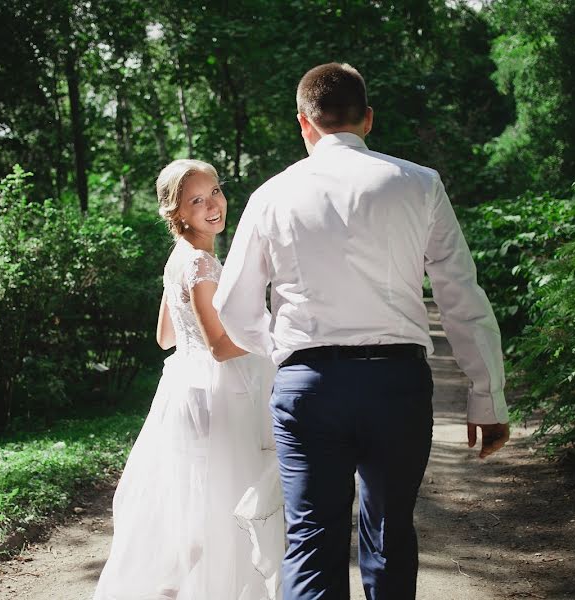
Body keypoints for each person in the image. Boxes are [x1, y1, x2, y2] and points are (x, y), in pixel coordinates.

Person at [214, 63, 510, 600]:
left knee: (310, 538)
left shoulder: (270, 195)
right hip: (397, 386)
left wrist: (284, 356)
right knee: (391, 533)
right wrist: (487, 397)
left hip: (309, 388)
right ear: (367, 119)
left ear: (303, 123)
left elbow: (232, 308)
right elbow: (461, 294)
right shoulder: (420, 184)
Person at [93, 159, 284, 600]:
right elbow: (219, 345)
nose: (213, 204)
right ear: (176, 212)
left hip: (186, 388)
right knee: (222, 505)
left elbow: (164, 336)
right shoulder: (200, 263)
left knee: (197, 506)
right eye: (197, 200)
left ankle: (173, 588)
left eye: (215, 191)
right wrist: (273, 333)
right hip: (219, 394)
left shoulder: (181, 259)